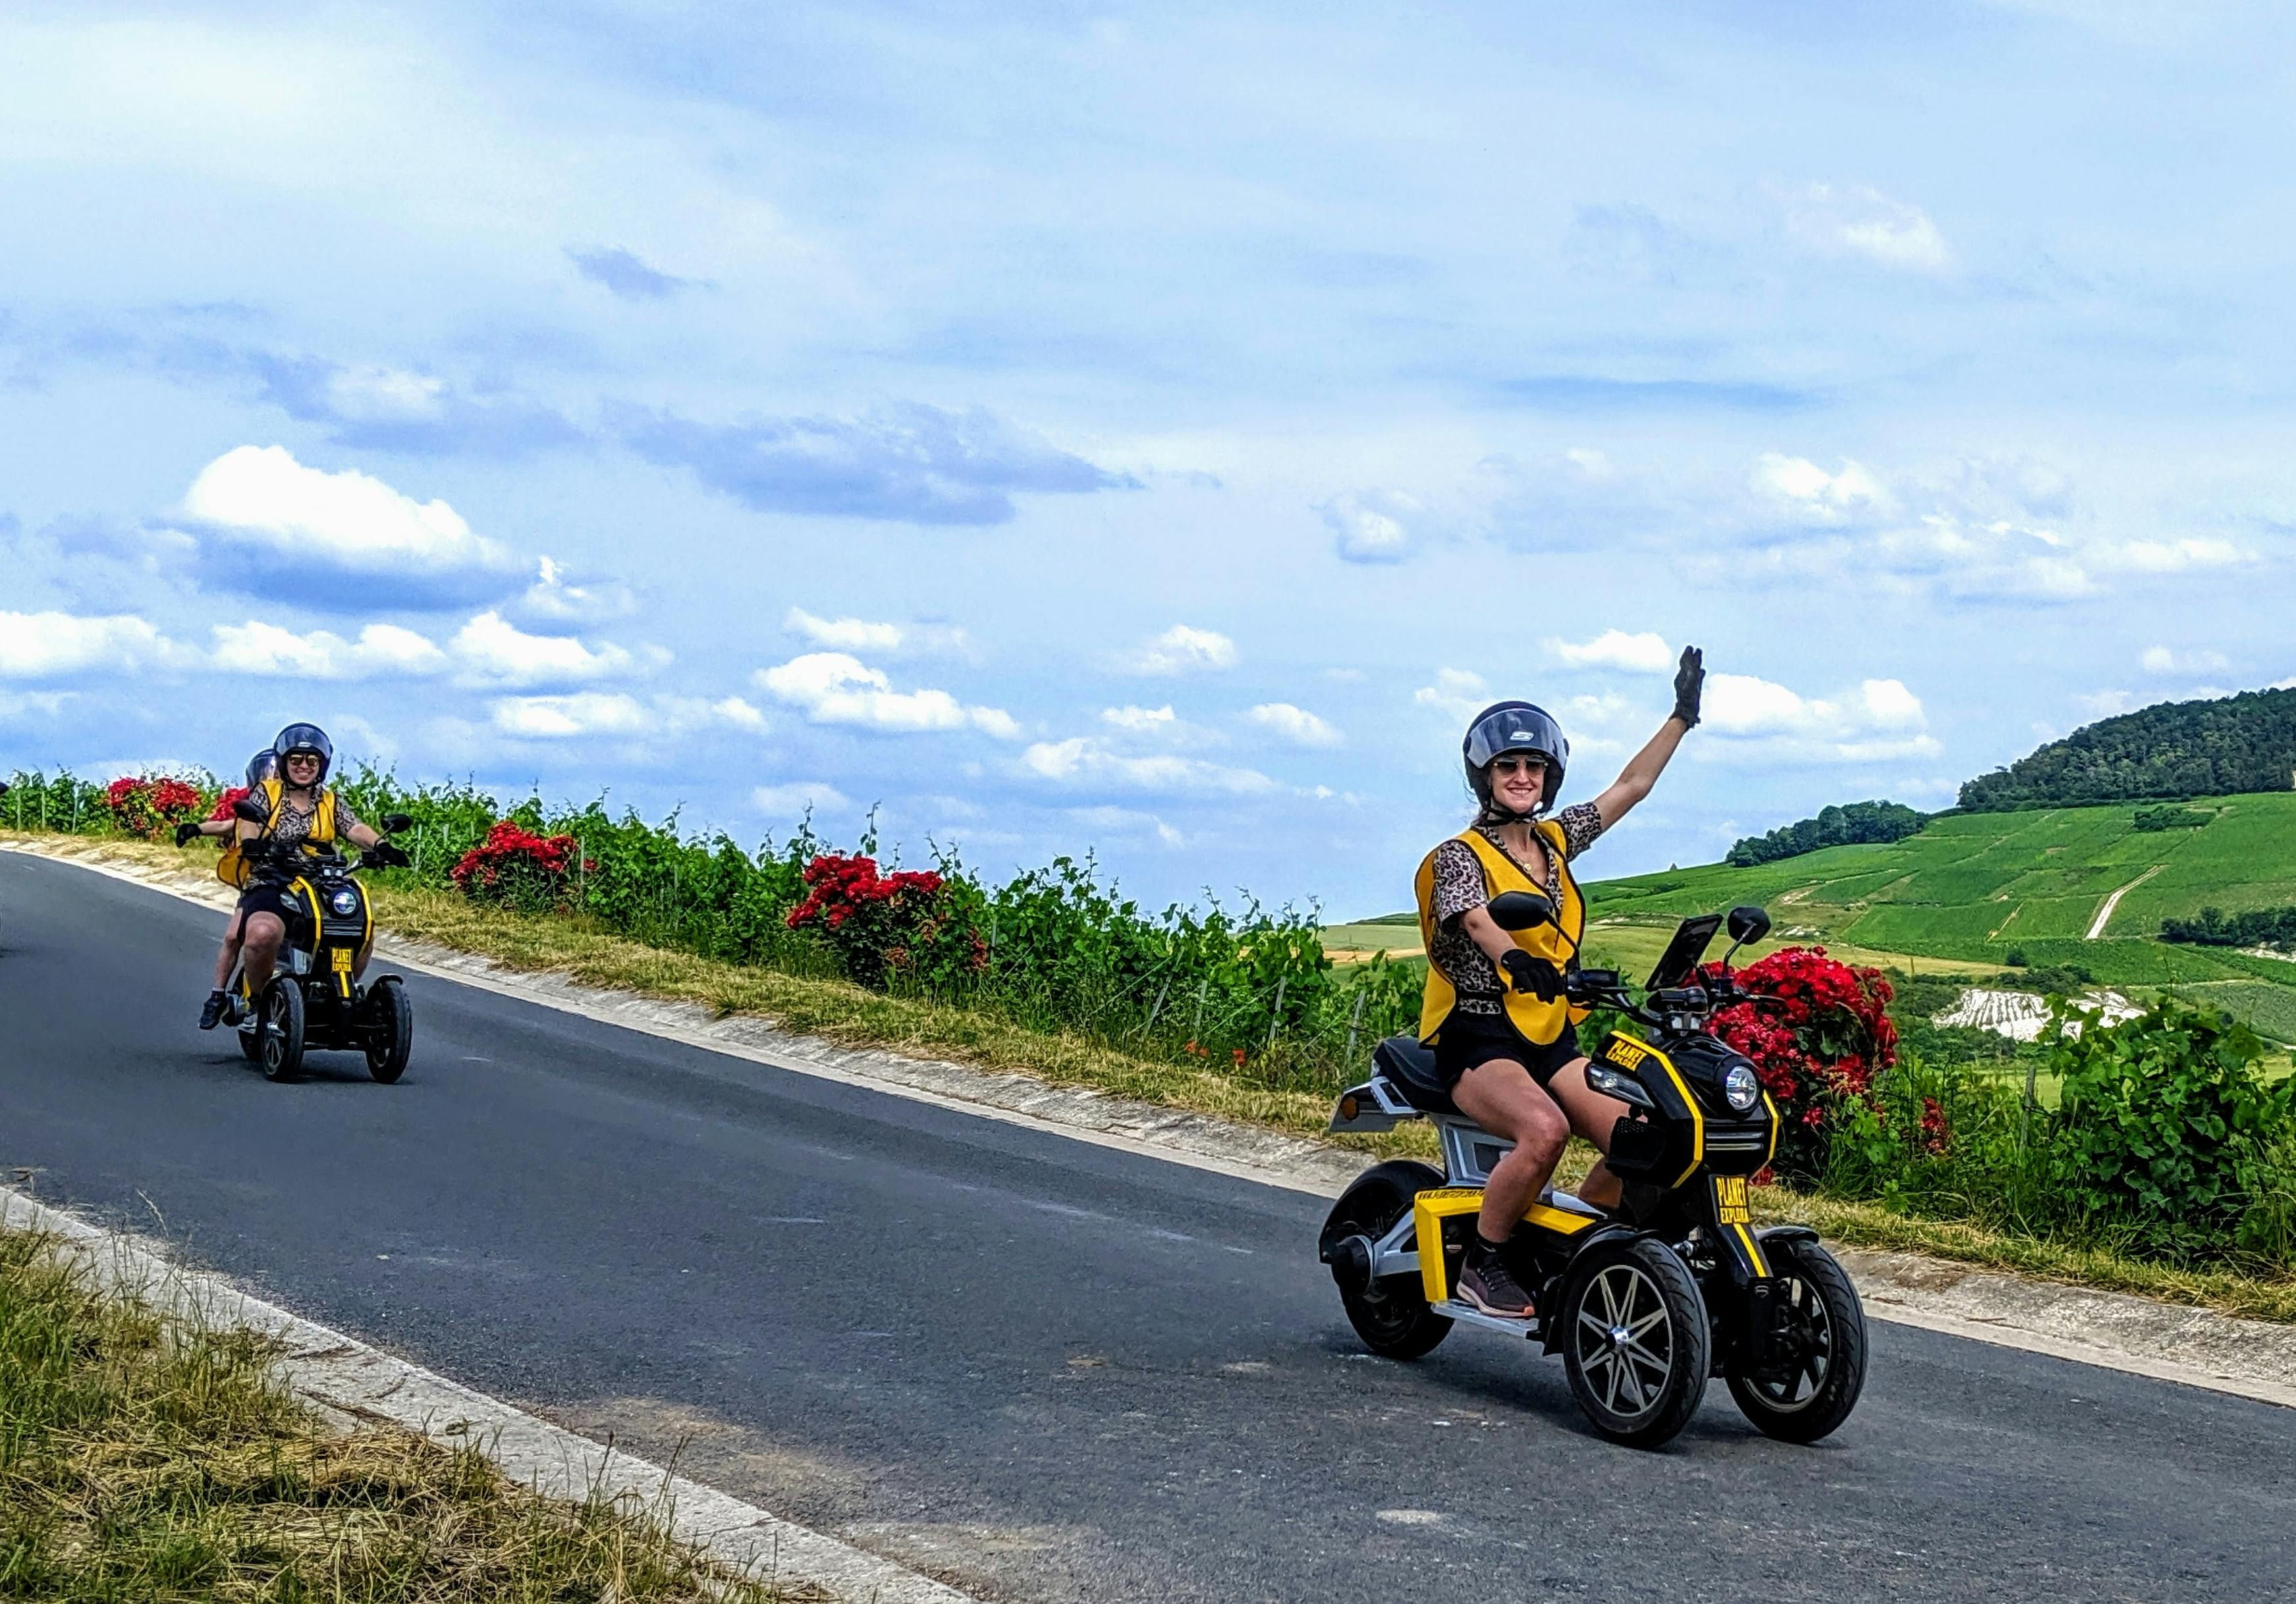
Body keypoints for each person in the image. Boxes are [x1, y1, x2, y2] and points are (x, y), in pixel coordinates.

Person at [1413, 647, 1705, 1320]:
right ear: (1484, 777)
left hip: (1551, 1037)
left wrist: (1682, 718)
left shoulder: (1554, 842)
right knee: (1543, 1132)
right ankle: (1484, 1260)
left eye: (1533, 766)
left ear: (1550, 774)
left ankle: (1584, 1241)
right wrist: (1515, 958)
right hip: (1478, 1037)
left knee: (1650, 1138)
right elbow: (1474, 917)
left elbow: (1630, 788)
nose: (1522, 776)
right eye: (1508, 766)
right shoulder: (1458, 855)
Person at [234, 724, 398, 1002]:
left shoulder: (330, 800)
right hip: (275, 877)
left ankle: (342, 990)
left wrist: (382, 845)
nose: (304, 766)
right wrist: (252, 845)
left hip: (322, 879)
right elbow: (249, 821)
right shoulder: (267, 792)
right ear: (284, 762)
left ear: (322, 765)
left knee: (361, 926)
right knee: (263, 934)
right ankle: (256, 1002)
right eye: (296, 759)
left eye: (312, 760)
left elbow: (353, 827)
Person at [182, 751, 279, 1029]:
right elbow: (226, 825)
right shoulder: (253, 812)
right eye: (265, 775)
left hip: (301, 885)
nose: (269, 779)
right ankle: (217, 995)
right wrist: (196, 829)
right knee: (233, 937)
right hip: (260, 883)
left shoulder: (292, 809)